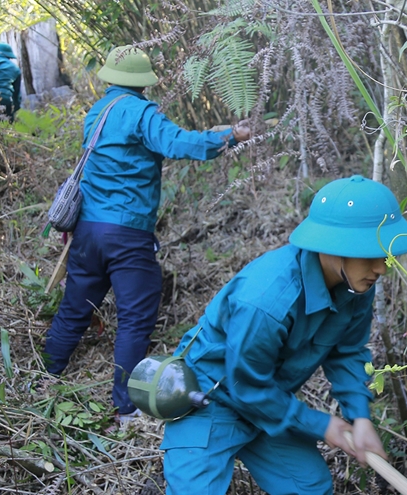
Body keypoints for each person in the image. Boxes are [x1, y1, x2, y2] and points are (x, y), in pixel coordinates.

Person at [160, 175, 407, 495]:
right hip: (212, 399)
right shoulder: (266, 300)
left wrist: (360, 417)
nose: (382, 268)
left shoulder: (357, 284)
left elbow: (348, 352)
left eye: (384, 255)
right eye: (370, 255)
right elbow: (247, 387)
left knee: (310, 487)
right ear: (331, 248)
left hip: (270, 403)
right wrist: (322, 425)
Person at [42, 45, 251, 422]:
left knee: (74, 307)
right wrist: (231, 136)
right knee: (136, 317)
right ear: (144, 83)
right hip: (127, 235)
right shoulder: (141, 113)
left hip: (87, 231)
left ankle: (45, 376)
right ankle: (126, 406)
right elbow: (178, 143)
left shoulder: (97, 113)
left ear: (110, 78)